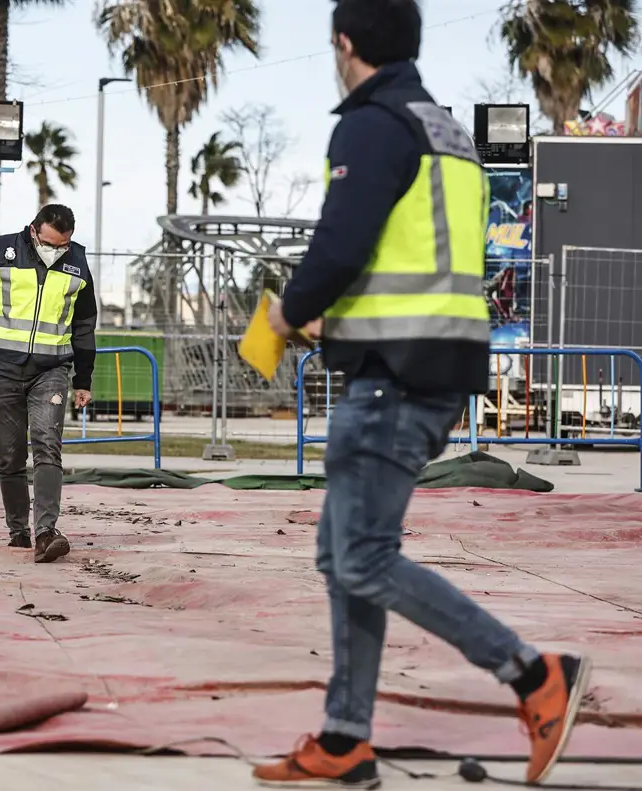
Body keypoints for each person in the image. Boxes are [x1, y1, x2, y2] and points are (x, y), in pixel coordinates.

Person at [252, 1, 590, 787]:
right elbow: (414, 252)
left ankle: (533, 673)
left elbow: (341, 241)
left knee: (363, 558)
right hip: (434, 361)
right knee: (344, 557)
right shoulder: (447, 132)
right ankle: (345, 740)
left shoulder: (372, 124)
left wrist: (290, 311)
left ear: (344, 43)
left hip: (394, 373)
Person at [0, 204, 96, 563]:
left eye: (64, 245)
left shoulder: (78, 264)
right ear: (34, 231)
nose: (57, 252)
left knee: (47, 447)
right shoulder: (4, 253)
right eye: (51, 244)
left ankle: (45, 532)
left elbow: (85, 327)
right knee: (11, 457)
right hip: (0, 369)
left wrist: (84, 379)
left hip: (51, 371)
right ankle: (18, 531)